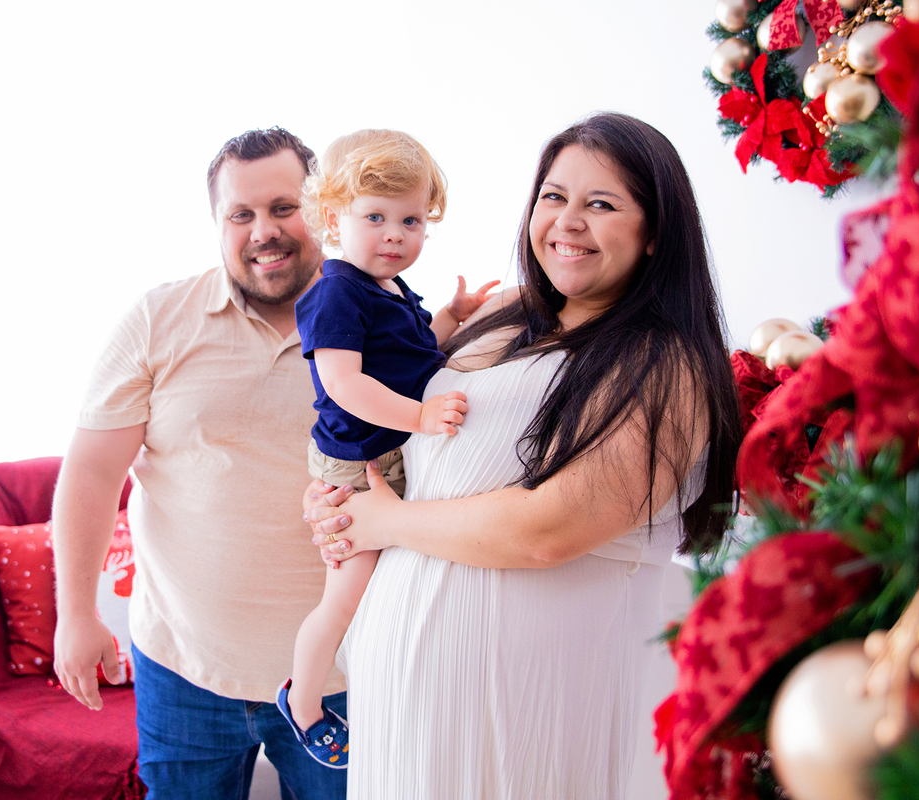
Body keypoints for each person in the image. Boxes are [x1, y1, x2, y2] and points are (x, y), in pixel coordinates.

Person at [305, 113, 743, 799]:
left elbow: (551, 530)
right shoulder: (499, 314)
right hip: (403, 704)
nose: (567, 222)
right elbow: (388, 431)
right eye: (553, 196)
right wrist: (334, 499)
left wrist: (386, 523)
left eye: (601, 204)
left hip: (523, 718)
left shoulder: (664, 364)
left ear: (655, 232)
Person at [51, 128, 349, 800]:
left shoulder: (384, 322)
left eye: (283, 206)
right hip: (184, 668)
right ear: (218, 224)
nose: (263, 231)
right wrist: (75, 613)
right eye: (240, 215)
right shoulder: (159, 320)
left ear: (325, 209)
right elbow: (94, 474)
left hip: (342, 676)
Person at [276, 129, 498, 768]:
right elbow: (346, 385)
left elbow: (407, 353)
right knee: (345, 594)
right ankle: (305, 703)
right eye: (375, 217)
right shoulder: (336, 290)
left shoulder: (390, 289)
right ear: (333, 218)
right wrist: (422, 417)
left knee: (381, 585)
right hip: (357, 461)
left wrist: (451, 318)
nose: (395, 234)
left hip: (388, 449)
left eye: (411, 220)